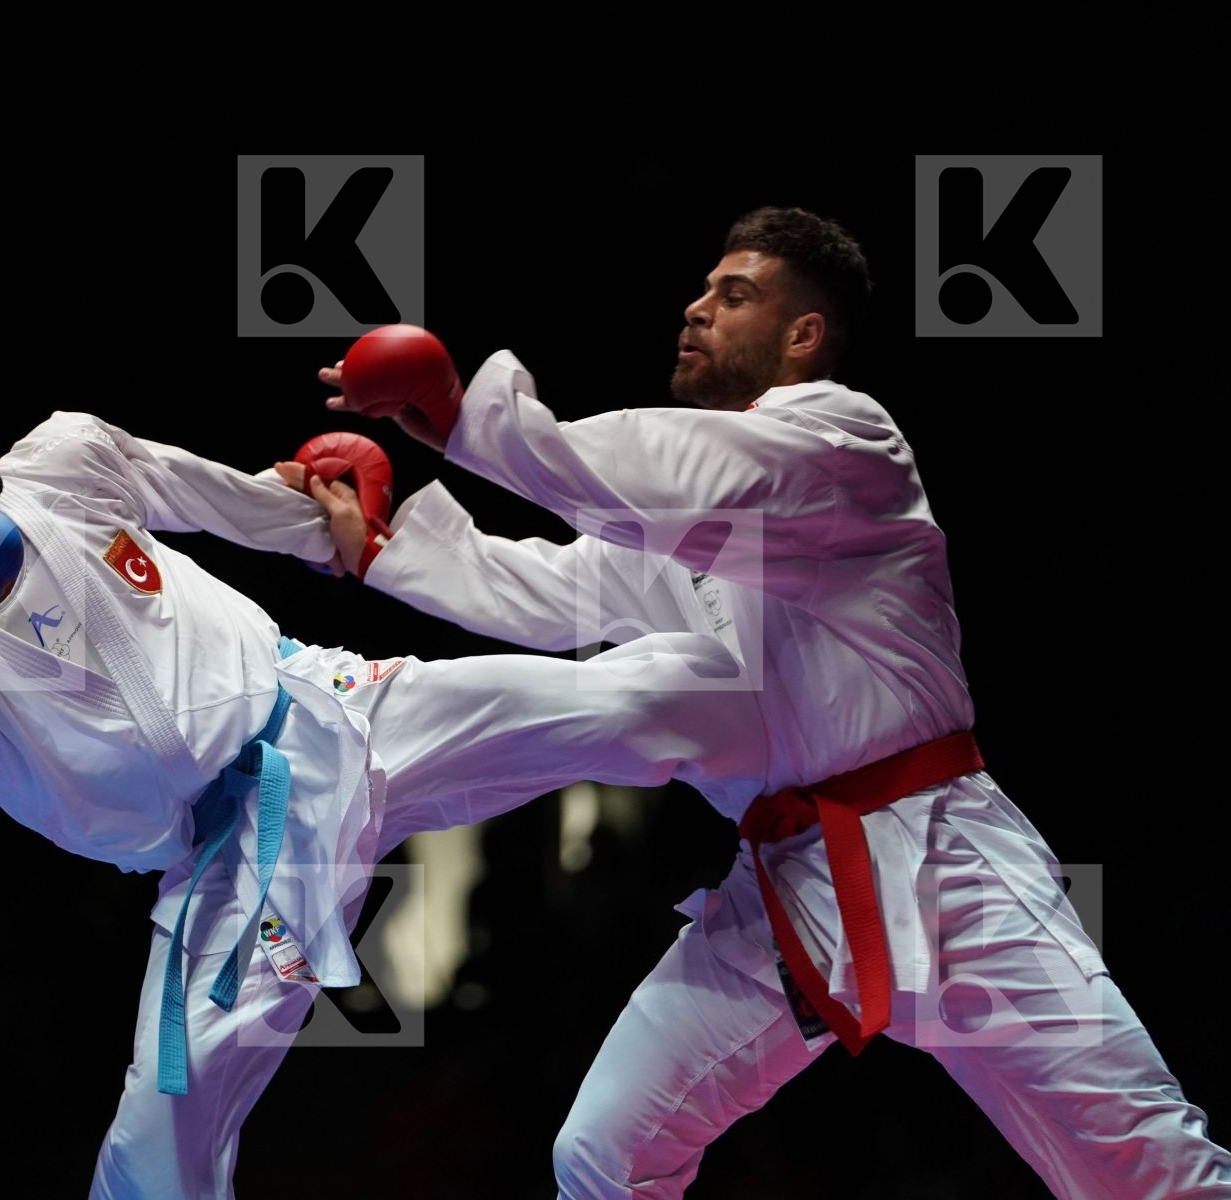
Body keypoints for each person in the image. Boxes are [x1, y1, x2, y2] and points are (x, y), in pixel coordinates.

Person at [310, 207, 1230, 1198]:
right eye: (704, 289)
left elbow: (667, 476)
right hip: (787, 889)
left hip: (948, 868)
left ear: (805, 336)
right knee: (604, 1152)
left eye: (734, 295)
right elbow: (559, 586)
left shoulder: (844, 441)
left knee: (1149, 1171)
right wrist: (381, 543)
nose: (697, 308)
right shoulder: (684, 506)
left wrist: (466, 417)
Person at [0, 356, 774, 1198]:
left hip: (331, 705)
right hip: (237, 857)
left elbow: (219, 497)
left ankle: (814, 743)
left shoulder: (61, 457)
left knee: (614, 702)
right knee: (157, 1152)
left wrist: (336, 520)